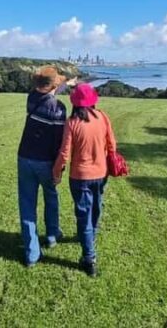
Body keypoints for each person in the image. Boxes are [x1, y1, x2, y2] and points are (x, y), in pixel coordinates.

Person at [53, 83, 117, 277]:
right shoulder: (103, 117)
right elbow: (112, 144)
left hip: (80, 176)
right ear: (93, 102)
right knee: (96, 206)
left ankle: (88, 258)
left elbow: (64, 153)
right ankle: (90, 236)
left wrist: (57, 172)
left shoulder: (72, 123)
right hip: (101, 173)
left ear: (75, 103)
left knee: (83, 214)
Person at [17, 66, 73, 267]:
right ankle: (51, 234)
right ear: (53, 85)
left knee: (27, 203)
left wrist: (62, 83)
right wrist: (60, 170)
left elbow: (49, 91)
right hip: (46, 162)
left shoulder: (31, 98)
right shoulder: (59, 109)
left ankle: (32, 253)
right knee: (51, 197)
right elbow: (59, 143)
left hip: (25, 158)